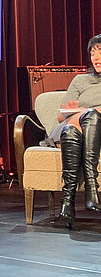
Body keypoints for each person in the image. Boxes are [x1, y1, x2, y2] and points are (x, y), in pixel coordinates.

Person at [51, 34, 101, 229]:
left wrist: (89, 111)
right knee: (73, 128)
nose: (95, 58)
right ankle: (87, 192)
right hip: (75, 126)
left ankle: (68, 202)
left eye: (100, 52)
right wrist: (82, 113)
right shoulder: (80, 80)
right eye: (92, 53)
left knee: (88, 119)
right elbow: (61, 115)